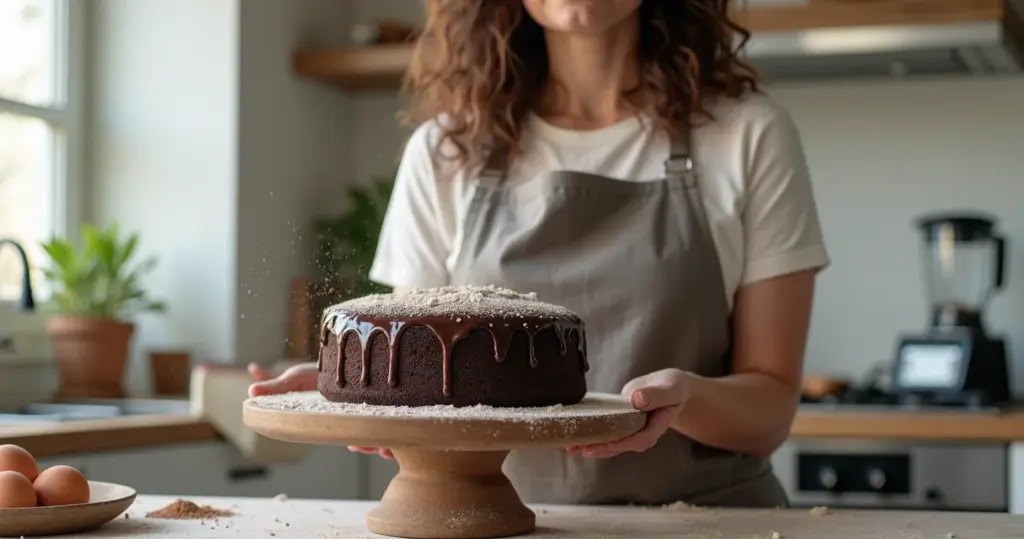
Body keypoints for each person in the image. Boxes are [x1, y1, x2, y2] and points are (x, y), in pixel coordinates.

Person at [250, 0, 829, 508]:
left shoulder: (748, 136)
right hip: (495, 521)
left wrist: (690, 398)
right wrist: (359, 389)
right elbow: (419, 376)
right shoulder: (447, 152)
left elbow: (770, 407)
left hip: (710, 521)